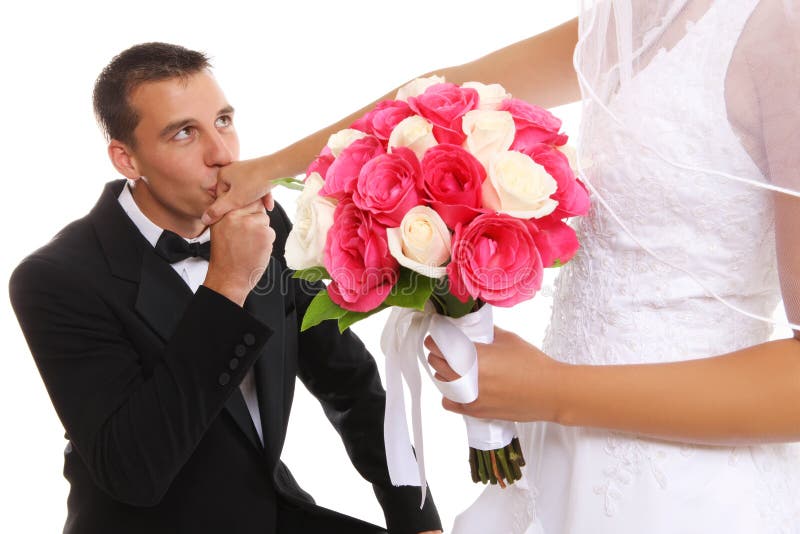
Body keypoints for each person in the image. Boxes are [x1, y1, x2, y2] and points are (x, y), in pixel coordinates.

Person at [197, 0, 800, 532]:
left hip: (687, 483)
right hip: (556, 452)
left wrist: (553, 390)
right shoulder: (629, 13)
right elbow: (427, 104)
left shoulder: (782, 29)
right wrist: (268, 168)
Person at [8, 42, 442, 534]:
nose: (222, 154)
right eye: (184, 133)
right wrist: (228, 282)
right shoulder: (54, 279)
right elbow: (134, 473)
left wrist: (417, 519)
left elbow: (352, 387)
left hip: (272, 512)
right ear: (127, 160)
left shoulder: (266, 223)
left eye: (223, 121)